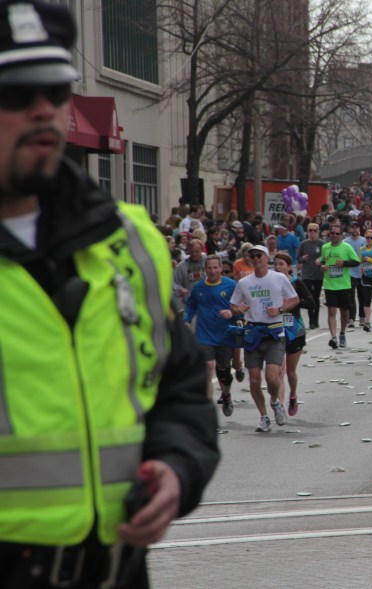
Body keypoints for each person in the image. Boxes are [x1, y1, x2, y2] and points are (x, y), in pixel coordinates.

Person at [0, 2, 219, 585]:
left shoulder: (131, 239)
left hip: (118, 570)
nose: (44, 109)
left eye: (55, 89)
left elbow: (179, 385)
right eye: (17, 95)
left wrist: (176, 468)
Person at [230, 245, 299, 432]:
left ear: (266, 257)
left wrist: (280, 310)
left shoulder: (279, 278)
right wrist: (238, 310)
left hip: (274, 332)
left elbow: (295, 299)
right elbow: (233, 305)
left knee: (272, 377)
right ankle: (263, 416)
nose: (255, 258)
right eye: (252, 256)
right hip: (252, 333)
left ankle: (275, 402)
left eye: (258, 255)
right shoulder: (244, 283)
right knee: (253, 380)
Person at [183, 255, 238, 415]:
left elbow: (241, 306)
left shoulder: (231, 285)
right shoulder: (199, 287)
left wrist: (232, 312)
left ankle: (226, 395)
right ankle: (206, 410)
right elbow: (191, 305)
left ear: (221, 268)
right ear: (204, 269)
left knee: (224, 371)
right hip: (204, 334)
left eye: (216, 267)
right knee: (207, 368)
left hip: (225, 334)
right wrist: (187, 319)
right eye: (209, 268)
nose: (213, 271)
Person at [273, 253, 314, 417]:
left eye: (281, 264)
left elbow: (311, 303)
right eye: (275, 264)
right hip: (275, 329)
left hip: (295, 331)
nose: (277, 267)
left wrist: (292, 304)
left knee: (290, 372)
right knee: (279, 371)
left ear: (289, 267)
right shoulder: (270, 283)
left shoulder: (296, 282)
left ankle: (293, 395)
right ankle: (280, 408)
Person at [318, 223, 361, 348]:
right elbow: (322, 261)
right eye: (332, 233)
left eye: (337, 233)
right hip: (330, 285)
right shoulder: (325, 247)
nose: (334, 235)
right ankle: (333, 337)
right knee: (331, 311)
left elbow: (356, 262)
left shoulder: (346, 247)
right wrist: (322, 266)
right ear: (329, 234)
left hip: (344, 284)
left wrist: (344, 263)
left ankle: (342, 333)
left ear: (341, 235)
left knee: (344, 312)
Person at [297, 222, 324, 329]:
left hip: (318, 274)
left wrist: (321, 260)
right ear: (307, 232)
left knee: (316, 297)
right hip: (307, 274)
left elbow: (326, 257)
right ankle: (311, 321)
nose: (312, 233)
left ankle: (316, 319)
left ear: (318, 232)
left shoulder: (322, 243)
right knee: (309, 297)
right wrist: (302, 259)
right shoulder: (304, 244)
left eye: (314, 230)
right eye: (310, 230)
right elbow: (298, 258)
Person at [343, 220, 366, 328]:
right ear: (349, 229)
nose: (355, 229)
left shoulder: (365, 241)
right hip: (350, 272)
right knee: (350, 296)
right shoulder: (345, 242)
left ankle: (362, 317)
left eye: (357, 227)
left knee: (362, 297)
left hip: (362, 272)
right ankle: (351, 318)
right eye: (353, 227)